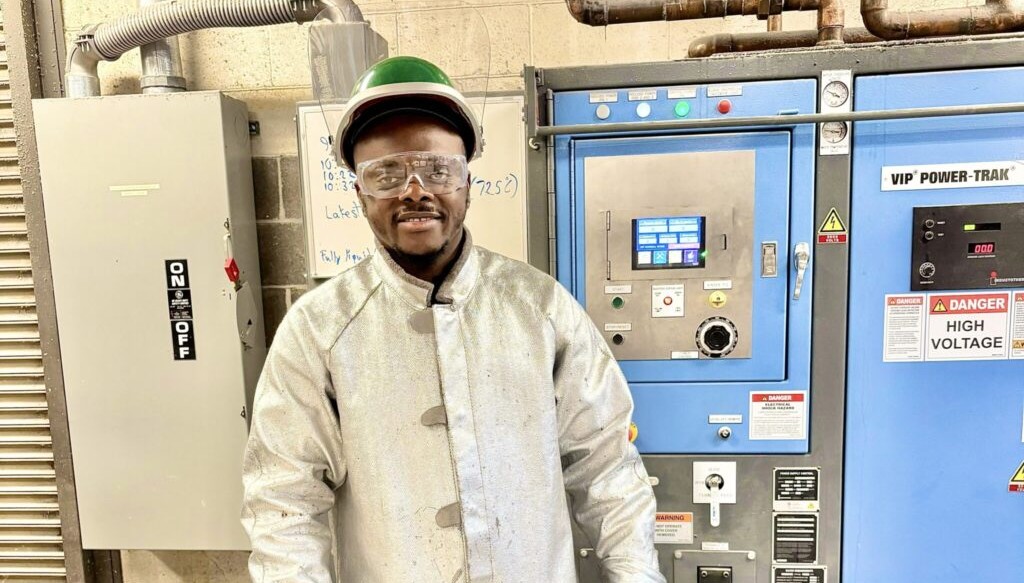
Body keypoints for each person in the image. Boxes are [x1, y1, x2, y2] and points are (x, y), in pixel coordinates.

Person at [241, 56, 665, 583]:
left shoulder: (539, 308)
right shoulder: (320, 330)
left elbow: (606, 468)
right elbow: (285, 502)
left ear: (468, 183)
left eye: (439, 170)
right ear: (358, 193)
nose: (414, 190)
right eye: (386, 174)